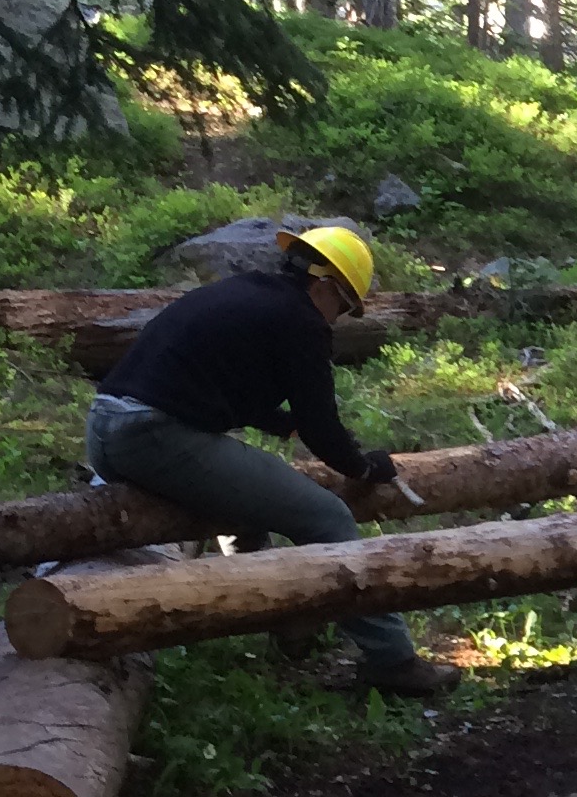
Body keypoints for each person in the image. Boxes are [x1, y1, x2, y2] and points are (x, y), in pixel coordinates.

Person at [82, 223, 460, 701]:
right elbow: (322, 426)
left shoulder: (245, 294)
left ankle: (285, 617)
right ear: (325, 287)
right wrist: (364, 468)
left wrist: (283, 424)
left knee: (244, 507)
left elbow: (219, 380)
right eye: (344, 307)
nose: (339, 320)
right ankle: (394, 661)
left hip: (105, 429)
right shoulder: (301, 322)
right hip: (153, 436)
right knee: (328, 517)